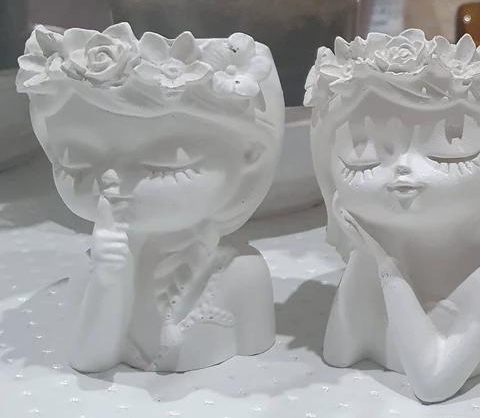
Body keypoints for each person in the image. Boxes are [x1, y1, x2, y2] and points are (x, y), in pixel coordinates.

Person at [18, 25, 284, 373]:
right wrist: (109, 281)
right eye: (75, 163)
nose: (112, 181)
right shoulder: (92, 266)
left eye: (165, 166)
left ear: (250, 159)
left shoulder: (240, 273)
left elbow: (259, 364)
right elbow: (88, 360)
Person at [305, 30, 480, 403]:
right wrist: (364, 253)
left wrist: (389, 269)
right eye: (362, 161)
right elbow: (339, 353)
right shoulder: (366, 265)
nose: (403, 171)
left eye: (448, 156)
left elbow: (431, 383)